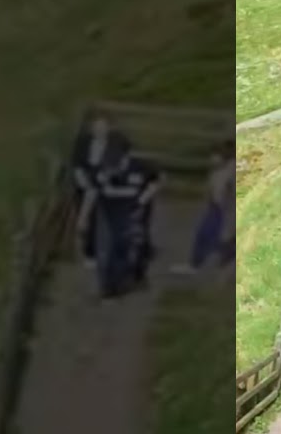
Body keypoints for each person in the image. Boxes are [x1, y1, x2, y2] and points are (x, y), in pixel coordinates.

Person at [95, 141, 162, 298]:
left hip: (138, 209)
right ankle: (112, 284)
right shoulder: (106, 168)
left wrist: (142, 200)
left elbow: (156, 182)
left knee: (138, 241)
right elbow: (104, 190)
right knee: (116, 244)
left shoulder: (141, 167)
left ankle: (138, 275)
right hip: (115, 210)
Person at [71, 114, 123, 267]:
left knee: (97, 216)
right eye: (96, 127)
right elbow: (77, 163)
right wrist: (82, 181)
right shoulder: (83, 142)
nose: (99, 131)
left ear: (108, 128)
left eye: (103, 127)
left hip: (103, 178)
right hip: (86, 176)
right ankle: (87, 248)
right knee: (86, 208)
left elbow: (115, 165)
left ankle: (94, 248)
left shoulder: (114, 143)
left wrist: (105, 179)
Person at [173, 151, 231, 274]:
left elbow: (223, 192)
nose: (212, 159)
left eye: (215, 156)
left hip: (218, 209)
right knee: (207, 237)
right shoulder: (217, 173)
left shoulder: (225, 173)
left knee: (206, 237)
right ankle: (198, 263)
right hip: (214, 208)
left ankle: (196, 264)